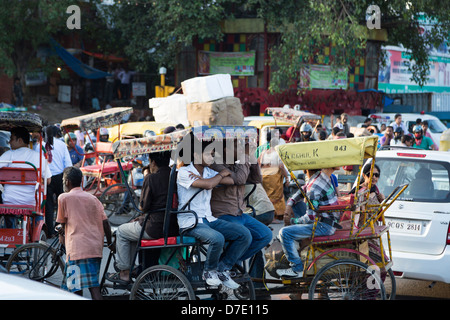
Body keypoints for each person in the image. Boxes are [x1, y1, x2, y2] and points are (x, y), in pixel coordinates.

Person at [177, 135, 252, 289]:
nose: (212, 157)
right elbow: (209, 185)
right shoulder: (184, 172)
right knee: (217, 239)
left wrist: (220, 173)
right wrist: (218, 176)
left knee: (245, 235)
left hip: (209, 219)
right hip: (191, 221)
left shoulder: (209, 172)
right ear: (197, 155)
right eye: (209, 154)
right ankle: (208, 271)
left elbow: (232, 180)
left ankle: (223, 269)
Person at [107, 151, 178, 285]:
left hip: (156, 228)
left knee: (121, 231)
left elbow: (144, 206)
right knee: (131, 231)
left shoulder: (151, 178)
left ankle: (124, 273)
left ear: (153, 162)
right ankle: (132, 268)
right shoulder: (176, 175)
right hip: (174, 226)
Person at [210, 138, 273, 273]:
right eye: (235, 146)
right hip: (222, 215)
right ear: (223, 149)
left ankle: (227, 262)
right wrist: (244, 156)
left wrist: (250, 156)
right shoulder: (215, 164)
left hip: (239, 213)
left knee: (265, 235)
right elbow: (239, 179)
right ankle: (226, 265)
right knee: (245, 236)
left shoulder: (236, 163)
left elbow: (256, 179)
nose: (238, 149)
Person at [57, 166, 112, 300]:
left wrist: (61, 236)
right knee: (94, 287)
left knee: (74, 288)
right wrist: (110, 243)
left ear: (67, 182)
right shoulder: (93, 199)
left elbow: (62, 223)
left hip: (76, 250)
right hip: (94, 249)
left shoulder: (63, 198)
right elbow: (105, 223)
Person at [277, 166, 341, 278]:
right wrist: (289, 204)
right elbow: (302, 191)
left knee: (284, 233)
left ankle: (297, 268)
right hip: (329, 221)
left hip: (324, 226)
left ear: (304, 170)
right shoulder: (321, 177)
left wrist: (292, 221)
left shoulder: (314, 188)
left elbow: (310, 218)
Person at [0, 127, 52, 228]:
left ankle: (10, 231)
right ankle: (35, 228)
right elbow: (48, 181)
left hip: (9, 200)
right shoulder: (38, 157)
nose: (9, 142)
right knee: (40, 207)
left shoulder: (9, 155)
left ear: (19, 140)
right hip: (31, 201)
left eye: (11, 139)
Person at [44, 125, 72, 237]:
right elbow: (68, 164)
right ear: (57, 134)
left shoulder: (42, 145)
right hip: (60, 176)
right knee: (61, 204)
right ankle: (59, 227)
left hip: (46, 177)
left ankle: (50, 231)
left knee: (49, 205)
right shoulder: (61, 145)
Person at [258, 131, 290, 222]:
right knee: (275, 198)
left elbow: (258, 164)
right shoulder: (277, 154)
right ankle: (273, 217)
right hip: (274, 180)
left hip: (264, 178)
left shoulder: (264, 152)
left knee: (267, 197)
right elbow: (281, 167)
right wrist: (287, 177)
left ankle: (272, 216)